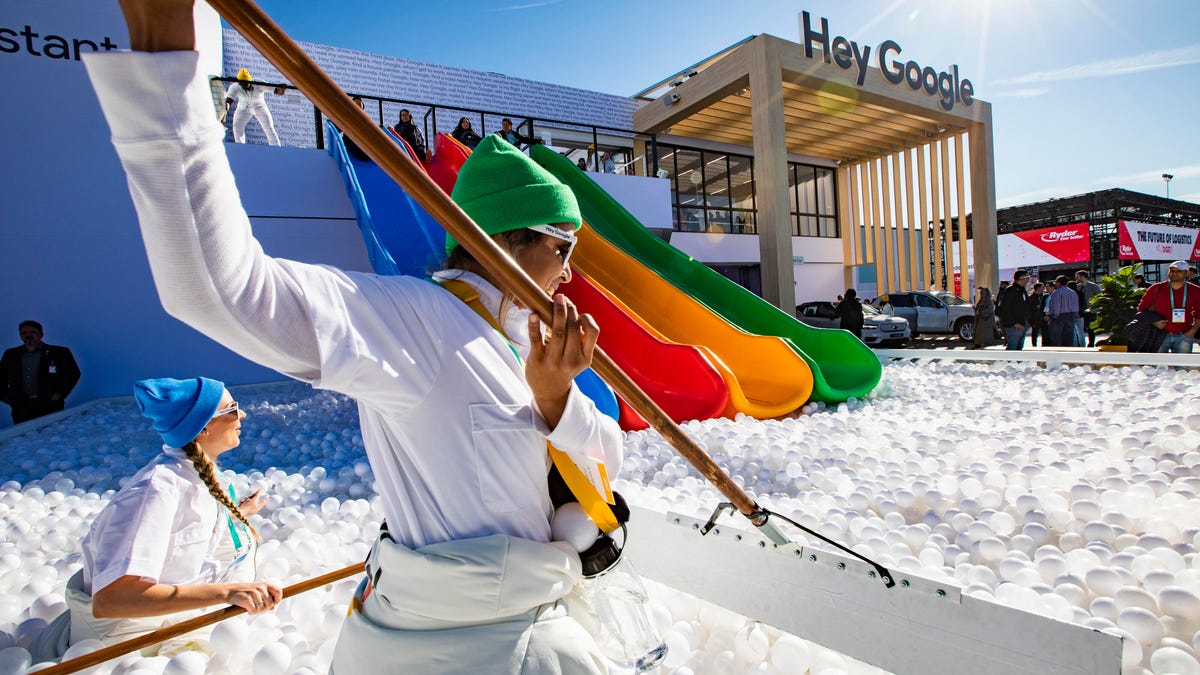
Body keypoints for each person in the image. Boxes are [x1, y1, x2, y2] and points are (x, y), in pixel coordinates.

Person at [83, 7, 620, 672]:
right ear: (508, 241)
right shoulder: (419, 321)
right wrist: (165, 60)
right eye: (563, 246)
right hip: (469, 643)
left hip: (527, 609)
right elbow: (216, 290)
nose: (569, 271)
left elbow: (607, 456)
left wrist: (555, 399)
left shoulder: (521, 345)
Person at [30, 377, 277, 659]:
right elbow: (111, 600)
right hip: (124, 650)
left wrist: (239, 513)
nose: (242, 414)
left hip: (162, 627)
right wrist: (227, 593)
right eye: (232, 408)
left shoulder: (193, 476)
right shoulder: (154, 492)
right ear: (203, 427)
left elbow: (185, 531)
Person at [0, 320, 81, 424]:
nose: (28, 335)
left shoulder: (59, 352)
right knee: (24, 433)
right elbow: (1, 377)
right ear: (20, 335)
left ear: (41, 334)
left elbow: (73, 374)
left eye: (33, 332)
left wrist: (60, 393)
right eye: (24, 332)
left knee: (51, 432)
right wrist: (5, 397)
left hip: (50, 404)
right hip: (21, 406)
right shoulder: (11, 354)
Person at [1136, 260, 1200, 353]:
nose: (1174, 273)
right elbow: (1142, 308)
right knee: (1158, 362)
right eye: (1172, 271)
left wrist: (1192, 331)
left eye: (1178, 271)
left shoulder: (1195, 290)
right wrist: (1154, 322)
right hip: (1159, 334)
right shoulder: (1156, 288)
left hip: (1184, 335)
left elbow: (1199, 313)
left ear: (1186, 273)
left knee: (1182, 363)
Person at [223, 68, 282, 146]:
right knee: (237, 127)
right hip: (243, 108)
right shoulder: (235, 87)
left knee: (268, 128)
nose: (245, 86)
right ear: (239, 83)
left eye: (246, 84)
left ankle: (276, 148)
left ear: (250, 81)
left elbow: (276, 91)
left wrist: (281, 90)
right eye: (242, 85)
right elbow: (228, 102)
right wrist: (224, 114)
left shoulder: (258, 83)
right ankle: (240, 148)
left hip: (259, 107)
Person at [996, 270, 1031, 350]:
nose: (1028, 279)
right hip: (1014, 325)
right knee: (1012, 347)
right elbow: (1006, 308)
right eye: (1027, 277)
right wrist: (1014, 323)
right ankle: (1009, 360)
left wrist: (1028, 321)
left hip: (1023, 323)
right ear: (1021, 278)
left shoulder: (1022, 290)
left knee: (1019, 347)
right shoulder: (1011, 290)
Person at [1046, 275, 1080, 347]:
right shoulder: (1073, 292)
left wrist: (1054, 315)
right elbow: (1076, 306)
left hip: (1059, 317)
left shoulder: (1057, 292)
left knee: (1057, 338)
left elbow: (1056, 306)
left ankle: (1058, 352)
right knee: (1069, 337)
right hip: (1071, 315)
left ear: (1059, 283)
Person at [1075, 270, 1102, 347]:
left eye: (1078, 276)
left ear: (1083, 276)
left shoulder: (1093, 286)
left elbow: (1100, 296)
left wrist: (1095, 307)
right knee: (1081, 328)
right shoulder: (1078, 286)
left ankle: (1091, 343)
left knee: (1091, 328)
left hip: (1091, 310)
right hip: (1081, 310)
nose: (1076, 278)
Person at [1027, 282, 1047, 347]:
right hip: (1035, 318)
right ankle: (1034, 345)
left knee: (1045, 332)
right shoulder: (1031, 297)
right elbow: (1029, 308)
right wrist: (1036, 307)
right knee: (1035, 332)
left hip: (1043, 317)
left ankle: (1044, 344)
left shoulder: (1044, 296)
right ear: (1038, 288)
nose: (1044, 288)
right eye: (1042, 287)